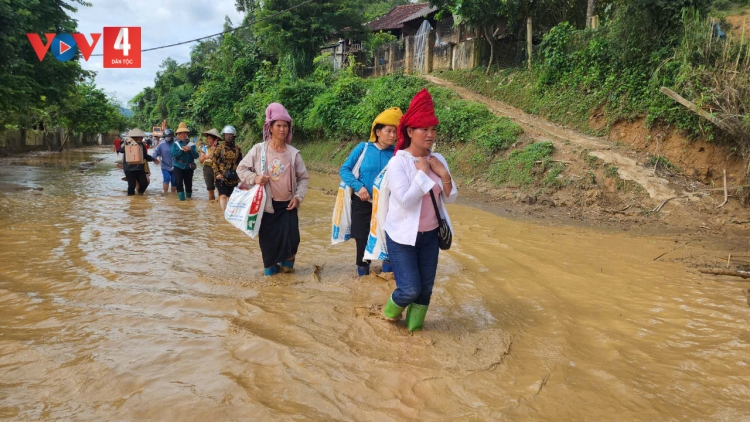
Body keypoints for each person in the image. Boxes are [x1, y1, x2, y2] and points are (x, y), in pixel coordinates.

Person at [381, 89, 457, 332]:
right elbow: (405, 201)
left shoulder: (438, 159)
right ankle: (388, 315)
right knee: (410, 288)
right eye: (424, 129)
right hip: (402, 237)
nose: (430, 134)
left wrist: (443, 174)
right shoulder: (398, 162)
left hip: (430, 236)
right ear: (410, 131)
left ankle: (414, 334)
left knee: (425, 291)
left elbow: (451, 197)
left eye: (433, 129)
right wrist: (423, 173)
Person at [237, 103, 309, 276]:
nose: (282, 129)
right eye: (278, 125)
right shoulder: (258, 150)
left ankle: (287, 279)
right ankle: (272, 289)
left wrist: (298, 197)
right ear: (270, 127)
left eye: (285, 126)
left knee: (293, 243)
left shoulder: (293, 154)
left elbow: (304, 178)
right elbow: (241, 169)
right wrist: (255, 178)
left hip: (288, 207)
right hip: (266, 208)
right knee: (268, 248)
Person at [339, 107, 402, 277]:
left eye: (395, 132)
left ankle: (387, 278)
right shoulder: (363, 148)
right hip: (363, 204)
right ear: (378, 131)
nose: (392, 135)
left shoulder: (397, 154)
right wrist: (359, 188)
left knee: (388, 245)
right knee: (362, 244)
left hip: (388, 207)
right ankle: (363, 281)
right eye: (388, 131)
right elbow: (344, 170)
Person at [118, 128, 159, 196]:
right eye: (140, 137)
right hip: (129, 168)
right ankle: (132, 200)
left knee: (144, 183)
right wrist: (128, 144)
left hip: (139, 167)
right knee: (131, 185)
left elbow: (145, 156)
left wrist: (153, 159)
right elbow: (121, 150)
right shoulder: (127, 143)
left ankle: (139, 195)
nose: (142, 138)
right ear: (136, 137)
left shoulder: (141, 145)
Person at [213, 125, 243, 211]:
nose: (228, 136)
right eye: (226, 134)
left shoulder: (238, 149)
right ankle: (224, 214)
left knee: (231, 197)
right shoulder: (219, 148)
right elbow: (214, 162)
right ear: (224, 135)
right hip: (221, 177)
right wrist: (217, 173)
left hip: (233, 177)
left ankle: (230, 215)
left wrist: (240, 176)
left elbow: (241, 163)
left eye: (230, 135)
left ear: (233, 136)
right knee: (222, 195)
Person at [170, 122, 199, 201]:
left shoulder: (191, 145)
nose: (183, 135)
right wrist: (182, 150)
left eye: (185, 133)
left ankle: (189, 200)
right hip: (178, 166)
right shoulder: (175, 145)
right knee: (179, 183)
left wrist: (190, 150)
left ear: (187, 134)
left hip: (188, 167)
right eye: (181, 133)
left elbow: (196, 156)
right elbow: (173, 154)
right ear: (178, 135)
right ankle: (182, 201)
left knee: (188, 184)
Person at [151, 128, 176, 193]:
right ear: (164, 137)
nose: (168, 138)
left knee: (174, 180)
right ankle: (165, 194)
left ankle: (173, 194)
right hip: (165, 166)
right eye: (166, 136)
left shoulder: (176, 144)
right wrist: (154, 158)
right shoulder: (161, 145)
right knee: (166, 178)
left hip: (175, 166)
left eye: (169, 136)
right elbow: (155, 152)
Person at [200, 128, 221, 202]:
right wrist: (208, 155)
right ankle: (211, 207)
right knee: (210, 190)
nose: (208, 140)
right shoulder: (205, 148)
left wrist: (215, 149)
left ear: (216, 139)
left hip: (218, 169)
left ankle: (218, 208)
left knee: (220, 190)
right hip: (207, 169)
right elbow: (201, 160)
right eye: (207, 138)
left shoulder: (220, 148)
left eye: (210, 138)